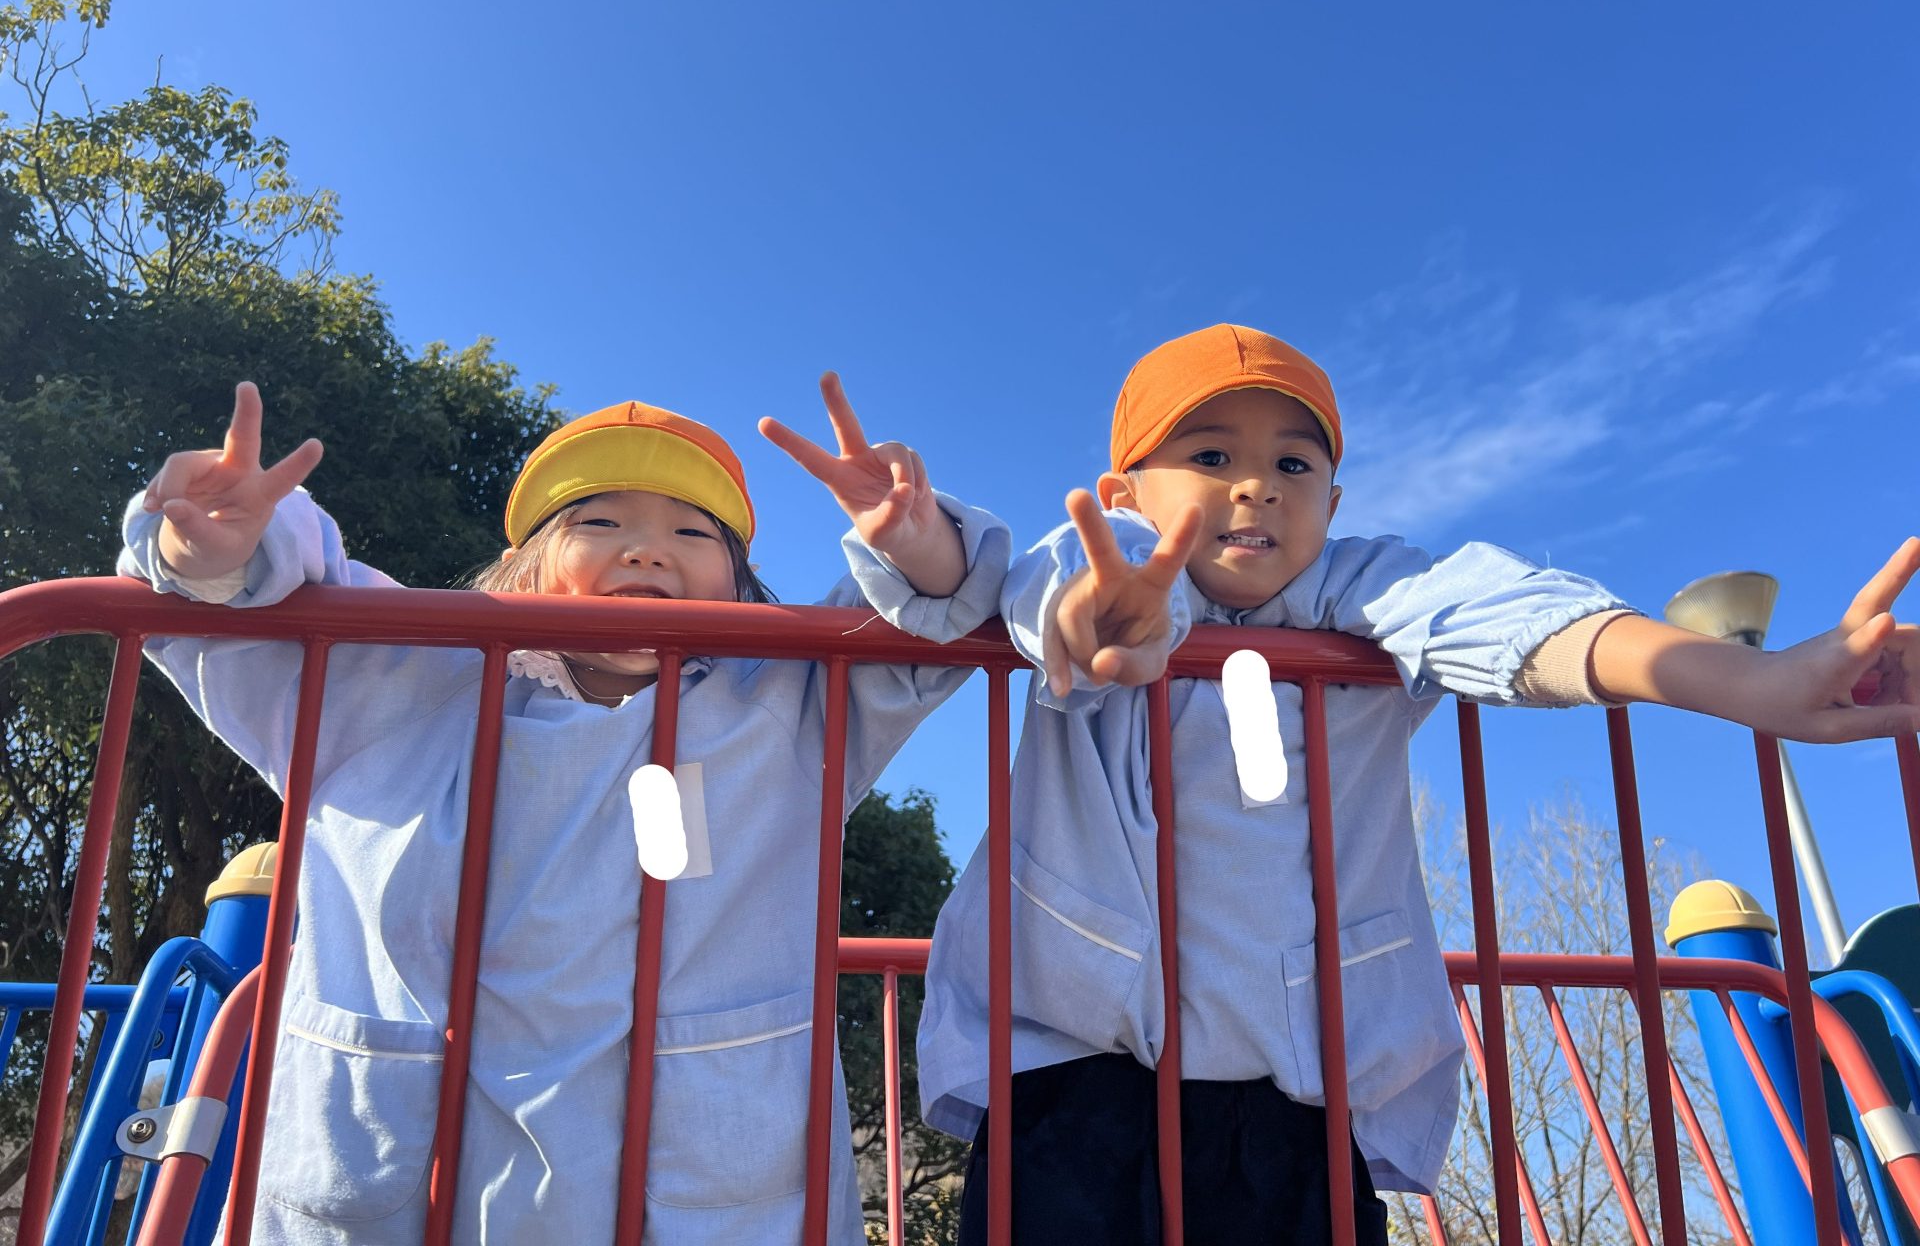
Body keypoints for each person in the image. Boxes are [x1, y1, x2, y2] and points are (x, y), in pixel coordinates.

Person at [916, 323, 1920, 1246]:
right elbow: (1055, 586)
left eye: (1292, 463)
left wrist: (1748, 681)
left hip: (1297, 1097)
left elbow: (1503, 612)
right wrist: (1096, 619)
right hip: (1074, 1078)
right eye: (1211, 456)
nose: (1256, 486)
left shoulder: (1365, 593)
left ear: (1332, 504)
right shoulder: (1104, 561)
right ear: (1125, 493)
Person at [119, 375, 1010, 1245]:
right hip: (406, 1180)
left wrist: (915, 544)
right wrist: (222, 549)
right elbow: (259, 601)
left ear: (742, 589)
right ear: (524, 567)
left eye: (692, 531)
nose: (647, 549)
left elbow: (925, 615)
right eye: (600, 522)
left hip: (698, 1193)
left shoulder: (783, 710)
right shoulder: (406, 685)